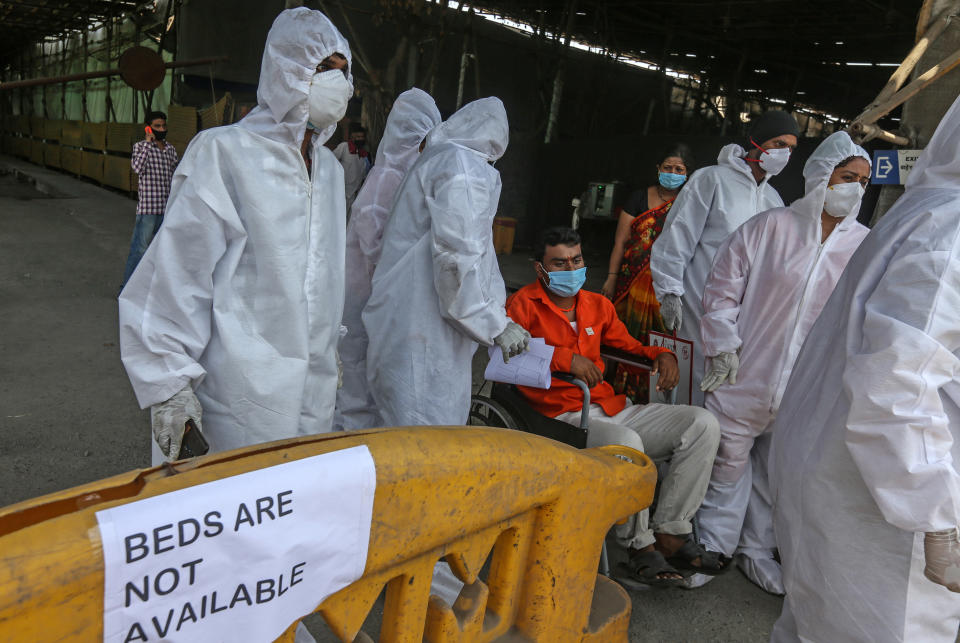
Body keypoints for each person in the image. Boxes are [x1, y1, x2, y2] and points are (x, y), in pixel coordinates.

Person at [119, 8, 354, 462]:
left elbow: (324, 276)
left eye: (343, 73)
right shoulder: (225, 153)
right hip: (238, 397)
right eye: (324, 69)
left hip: (312, 392)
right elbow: (177, 276)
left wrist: (328, 344)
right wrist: (168, 383)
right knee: (228, 514)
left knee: (294, 517)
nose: (337, 84)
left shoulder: (329, 172)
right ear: (287, 71)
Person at [769, 95, 960, 642]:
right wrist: (937, 519)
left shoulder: (924, 213)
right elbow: (893, 385)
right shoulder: (950, 233)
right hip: (887, 515)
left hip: (852, 481)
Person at [690, 131, 871, 595]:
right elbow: (721, 292)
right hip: (744, 376)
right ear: (820, 177)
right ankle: (712, 548)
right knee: (727, 466)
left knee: (777, 473)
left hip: (805, 386)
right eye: (847, 177)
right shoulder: (768, 228)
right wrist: (723, 345)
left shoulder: (863, 246)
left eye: (864, 182)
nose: (855, 189)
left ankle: (756, 551)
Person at [506, 227, 722, 587]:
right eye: (559, 263)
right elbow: (508, 355)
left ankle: (671, 529)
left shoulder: (597, 305)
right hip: (559, 416)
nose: (570, 269)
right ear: (539, 268)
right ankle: (638, 546)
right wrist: (564, 359)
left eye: (575, 261)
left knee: (702, 424)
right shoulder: (522, 305)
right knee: (627, 441)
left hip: (609, 407)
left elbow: (630, 347)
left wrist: (662, 354)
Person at [363, 97, 530, 427]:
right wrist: (495, 324)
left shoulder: (436, 160)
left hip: (406, 324)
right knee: (427, 445)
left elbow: (474, 251)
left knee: (403, 436)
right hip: (424, 335)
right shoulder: (462, 168)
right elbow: (458, 260)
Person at [650, 110, 799, 406]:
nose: (785, 153)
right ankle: (677, 444)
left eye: (791, 148)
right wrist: (669, 290)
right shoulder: (711, 180)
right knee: (693, 380)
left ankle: (715, 448)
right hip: (696, 300)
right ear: (756, 141)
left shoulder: (774, 200)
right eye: (779, 143)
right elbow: (678, 236)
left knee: (727, 385)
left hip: (743, 312)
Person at [334, 88, 441, 431]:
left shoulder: (407, 179)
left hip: (380, 298)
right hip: (363, 298)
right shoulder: (386, 179)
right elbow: (378, 248)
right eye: (424, 142)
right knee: (356, 385)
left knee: (376, 382)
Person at [600, 144, 695, 403]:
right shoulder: (639, 197)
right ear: (658, 169)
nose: (672, 173)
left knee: (662, 342)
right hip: (632, 286)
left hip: (669, 290)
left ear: (688, 174)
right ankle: (620, 394)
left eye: (679, 169)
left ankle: (653, 398)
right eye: (668, 168)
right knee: (626, 339)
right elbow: (621, 241)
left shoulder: (691, 202)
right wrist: (611, 277)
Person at [120, 111, 177, 289]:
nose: (162, 129)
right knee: (139, 250)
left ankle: (156, 291)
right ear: (149, 128)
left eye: (163, 125)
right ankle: (126, 289)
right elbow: (137, 168)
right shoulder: (140, 147)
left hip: (166, 210)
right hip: (148, 211)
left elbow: (176, 175)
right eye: (157, 126)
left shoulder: (170, 150)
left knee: (165, 251)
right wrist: (148, 143)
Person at [333, 122, 372, 212]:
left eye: (362, 137)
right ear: (352, 137)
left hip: (355, 195)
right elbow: (331, 161)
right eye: (358, 137)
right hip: (340, 192)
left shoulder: (364, 155)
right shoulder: (344, 147)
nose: (360, 139)